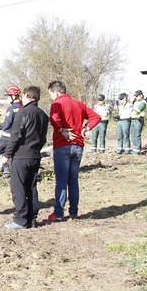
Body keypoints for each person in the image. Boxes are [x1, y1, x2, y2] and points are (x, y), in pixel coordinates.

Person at [47, 81, 101, 222]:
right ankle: (74, 212)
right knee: (73, 180)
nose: (51, 97)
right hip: (78, 145)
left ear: (56, 92)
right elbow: (96, 117)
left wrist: (61, 130)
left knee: (61, 181)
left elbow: (54, 119)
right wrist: (86, 128)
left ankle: (58, 213)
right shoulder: (78, 103)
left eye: (51, 94)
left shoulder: (57, 103)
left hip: (62, 145)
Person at [3, 86, 49, 229]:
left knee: (18, 188)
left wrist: (7, 154)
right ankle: (32, 218)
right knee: (31, 187)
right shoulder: (43, 115)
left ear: (27, 95)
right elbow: (43, 138)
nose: (21, 98)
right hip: (35, 155)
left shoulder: (22, 112)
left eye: (22, 95)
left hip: (21, 156)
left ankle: (20, 220)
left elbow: (15, 136)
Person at [129, 90, 147, 154]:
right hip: (133, 119)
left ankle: (137, 150)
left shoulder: (143, 102)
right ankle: (134, 149)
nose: (136, 97)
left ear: (141, 95)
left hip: (138, 119)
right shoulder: (135, 102)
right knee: (133, 134)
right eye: (135, 96)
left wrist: (132, 107)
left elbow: (137, 110)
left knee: (137, 135)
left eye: (137, 96)